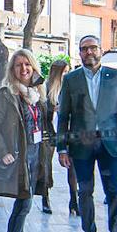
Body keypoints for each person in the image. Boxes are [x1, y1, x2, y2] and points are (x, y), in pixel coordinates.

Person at [57, 34, 117, 232]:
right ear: (79, 53)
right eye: (84, 49)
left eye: (93, 48)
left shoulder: (116, 76)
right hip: (81, 147)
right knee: (85, 192)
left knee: (115, 194)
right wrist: (62, 147)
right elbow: (64, 117)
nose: (89, 52)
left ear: (101, 50)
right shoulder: (71, 79)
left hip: (110, 145)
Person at [0, 49, 49, 232]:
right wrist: (3, 152)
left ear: (33, 68)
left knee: (25, 206)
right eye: (18, 65)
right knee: (23, 206)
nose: (24, 69)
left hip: (34, 157)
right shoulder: (7, 95)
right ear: (12, 70)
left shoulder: (35, 94)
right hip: (18, 159)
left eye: (27, 65)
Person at [37, 57, 70, 215]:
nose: (66, 74)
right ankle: (45, 198)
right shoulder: (46, 86)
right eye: (64, 72)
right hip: (50, 131)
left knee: (73, 165)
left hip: (67, 131)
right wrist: (54, 109)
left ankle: (74, 200)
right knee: (46, 165)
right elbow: (42, 111)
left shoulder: (69, 86)